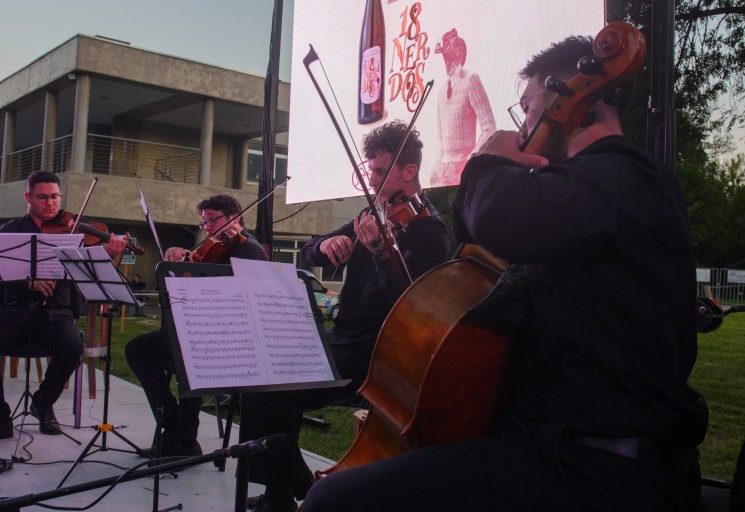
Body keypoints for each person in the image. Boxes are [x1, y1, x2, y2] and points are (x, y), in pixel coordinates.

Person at [301, 35, 708, 512]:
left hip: (601, 471)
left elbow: (499, 217)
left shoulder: (623, 175)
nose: (525, 126)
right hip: (552, 451)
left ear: (575, 101)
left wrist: (489, 158)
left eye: (528, 107)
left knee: (336, 502)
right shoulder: (582, 195)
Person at [246, 120, 451, 512]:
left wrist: (380, 253)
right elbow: (309, 249)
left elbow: (414, 299)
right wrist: (328, 244)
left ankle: (284, 494)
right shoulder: (371, 214)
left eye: (379, 170)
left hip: (376, 353)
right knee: (258, 380)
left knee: (273, 394)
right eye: (369, 168)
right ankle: (292, 487)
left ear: (409, 172)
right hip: (340, 339)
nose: (370, 179)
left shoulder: (429, 232)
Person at [0, 170, 128, 443]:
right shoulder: (10, 231)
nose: (50, 203)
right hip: (14, 311)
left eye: (55, 197)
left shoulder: (75, 231)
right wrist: (28, 283)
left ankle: (42, 402)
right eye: (42, 197)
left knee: (72, 347)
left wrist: (108, 252)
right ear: (28, 197)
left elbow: (90, 275)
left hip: (56, 313)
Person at [124, 194, 268, 457]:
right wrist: (179, 265)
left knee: (167, 356)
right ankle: (176, 429)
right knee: (142, 350)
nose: (209, 229)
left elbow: (253, 301)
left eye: (213, 221)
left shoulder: (249, 249)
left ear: (235, 218)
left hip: (227, 340)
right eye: (205, 223)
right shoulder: (214, 249)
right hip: (200, 332)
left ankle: (182, 438)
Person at [429, 28, 496, 186]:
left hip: (463, 165)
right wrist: (438, 164)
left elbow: (489, 127)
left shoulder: (470, 79)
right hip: (443, 169)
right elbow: (440, 136)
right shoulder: (441, 90)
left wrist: (470, 159)